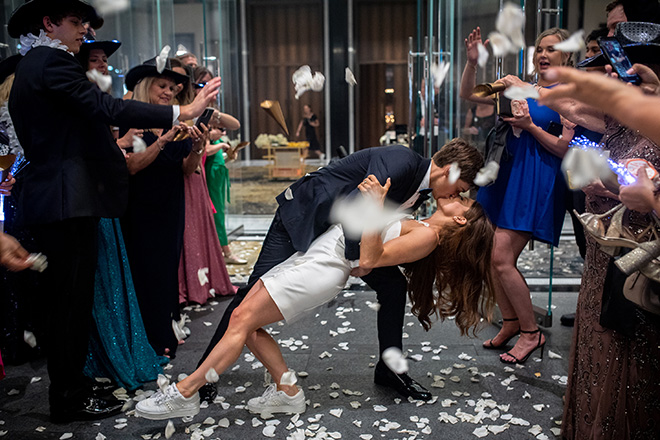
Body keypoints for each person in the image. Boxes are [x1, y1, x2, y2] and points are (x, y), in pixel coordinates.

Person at [6, 0, 220, 423]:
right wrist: (184, 111)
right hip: (67, 199)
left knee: (69, 302)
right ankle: (68, 398)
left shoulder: (33, 66)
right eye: (75, 22)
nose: (84, 30)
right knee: (71, 303)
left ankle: (74, 388)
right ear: (49, 24)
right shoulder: (51, 62)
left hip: (56, 196)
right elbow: (108, 109)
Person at [135, 176, 495, 420]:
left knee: (242, 319)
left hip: (324, 267)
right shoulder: (421, 225)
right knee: (245, 321)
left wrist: (375, 206)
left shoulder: (428, 238)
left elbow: (370, 260)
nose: (457, 197)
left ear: (462, 220)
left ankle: (185, 393)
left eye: (463, 200)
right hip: (321, 255)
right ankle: (288, 391)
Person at [196, 138, 484, 404]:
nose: (455, 196)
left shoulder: (421, 192)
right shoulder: (402, 161)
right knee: (250, 294)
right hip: (304, 217)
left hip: (343, 240)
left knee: (394, 287)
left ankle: (389, 369)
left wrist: (365, 258)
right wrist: (359, 259)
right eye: (459, 190)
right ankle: (203, 375)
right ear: (450, 172)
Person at [532, 25, 660, 440]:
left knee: (628, 363)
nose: (609, 70)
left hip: (639, 265)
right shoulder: (619, 118)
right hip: (603, 256)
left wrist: (649, 201)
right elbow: (570, 107)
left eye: (617, 63)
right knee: (595, 349)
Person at [460, 27, 575, 364]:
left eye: (552, 49)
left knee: (501, 256)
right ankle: (511, 322)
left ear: (567, 55)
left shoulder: (571, 94)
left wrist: (530, 127)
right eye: (540, 48)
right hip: (507, 173)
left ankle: (531, 332)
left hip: (536, 177)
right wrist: (472, 63)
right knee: (490, 253)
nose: (543, 54)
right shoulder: (523, 86)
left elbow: (566, 148)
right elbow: (470, 94)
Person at [74, 38, 168, 391]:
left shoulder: (99, 105)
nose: (101, 66)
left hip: (103, 202)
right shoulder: (80, 103)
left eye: (103, 60)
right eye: (94, 60)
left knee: (113, 283)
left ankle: (120, 347)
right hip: (89, 203)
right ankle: (95, 357)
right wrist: (124, 144)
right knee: (96, 287)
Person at [120, 58, 209, 358]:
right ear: (147, 86)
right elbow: (131, 167)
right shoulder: (132, 124)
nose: (168, 92)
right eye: (162, 85)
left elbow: (187, 169)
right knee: (142, 272)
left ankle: (163, 335)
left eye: (172, 88)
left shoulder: (177, 126)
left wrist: (198, 145)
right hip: (140, 209)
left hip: (171, 207)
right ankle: (144, 340)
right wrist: (162, 141)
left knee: (166, 270)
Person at [204, 112, 247, 265]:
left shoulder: (216, 138)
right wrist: (220, 145)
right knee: (217, 214)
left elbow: (218, 159)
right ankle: (226, 251)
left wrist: (229, 155)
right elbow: (206, 152)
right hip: (212, 177)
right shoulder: (208, 137)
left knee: (219, 213)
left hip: (218, 177)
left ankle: (222, 250)